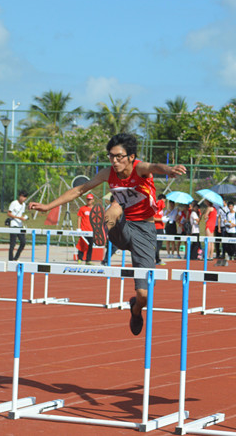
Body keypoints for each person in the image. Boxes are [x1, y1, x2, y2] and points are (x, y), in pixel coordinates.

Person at [30, 133, 186, 336]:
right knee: (114, 206)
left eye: (119, 156)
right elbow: (79, 189)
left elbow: (155, 166)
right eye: (111, 156)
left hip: (145, 231)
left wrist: (169, 170)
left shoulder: (139, 168)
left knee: (144, 294)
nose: (114, 161)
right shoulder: (107, 173)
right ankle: (105, 228)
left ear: (131, 156)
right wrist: (47, 206)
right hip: (121, 224)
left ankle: (136, 309)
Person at [8, 191, 29, 261]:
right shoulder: (14, 203)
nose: (22, 198)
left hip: (20, 225)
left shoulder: (23, 205)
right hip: (13, 224)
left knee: (23, 242)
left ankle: (16, 257)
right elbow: (9, 213)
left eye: (24, 197)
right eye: (21, 196)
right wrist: (19, 218)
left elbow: (21, 214)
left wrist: (24, 218)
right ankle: (10, 259)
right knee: (13, 243)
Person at [76, 193, 96, 264]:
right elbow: (79, 218)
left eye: (90, 199)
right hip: (84, 230)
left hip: (91, 230)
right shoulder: (82, 209)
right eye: (87, 199)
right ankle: (80, 258)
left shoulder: (95, 209)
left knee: (90, 245)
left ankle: (88, 260)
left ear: (93, 200)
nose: (89, 201)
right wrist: (78, 228)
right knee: (82, 244)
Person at [153, 193, 166, 265]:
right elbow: (153, 218)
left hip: (160, 227)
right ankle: (157, 259)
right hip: (157, 227)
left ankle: (157, 259)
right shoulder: (159, 203)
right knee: (158, 244)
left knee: (158, 244)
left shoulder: (159, 208)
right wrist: (161, 219)